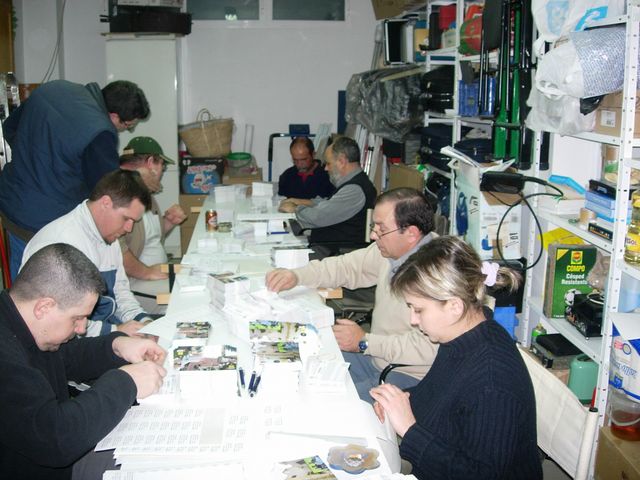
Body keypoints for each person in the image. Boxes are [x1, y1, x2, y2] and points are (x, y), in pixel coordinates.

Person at [370, 236, 541, 480]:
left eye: (418, 309)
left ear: (454, 306)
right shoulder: (461, 335)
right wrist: (400, 401)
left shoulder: (492, 381)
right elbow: (440, 396)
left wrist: (409, 430)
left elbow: (481, 475)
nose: (413, 320)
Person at [0, 243, 167, 480]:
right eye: (77, 318)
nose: (82, 328)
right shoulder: (5, 358)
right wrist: (126, 382)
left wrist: (117, 346)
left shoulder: (25, 324)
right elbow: (54, 439)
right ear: (44, 307)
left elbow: (66, 356)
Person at [267, 188, 438, 402]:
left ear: (411, 233)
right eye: (374, 226)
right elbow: (346, 267)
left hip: (410, 375)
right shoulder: (391, 251)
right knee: (303, 359)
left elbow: (428, 348)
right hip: (377, 358)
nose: (373, 235)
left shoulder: (437, 275)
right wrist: (297, 276)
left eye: (382, 229)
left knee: (323, 402)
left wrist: (365, 342)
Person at [0, 79, 150, 280]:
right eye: (127, 126)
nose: (124, 131)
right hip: (44, 222)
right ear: (114, 116)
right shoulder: (100, 131)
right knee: (46, 286)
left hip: (14, 203)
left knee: (21, 282)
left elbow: (10, 128)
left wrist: (35, 160)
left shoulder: (54, 88)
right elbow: (107, 191)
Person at [21, 170, 154, 338]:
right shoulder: (60, 242)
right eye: (126, 219)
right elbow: (59, 322)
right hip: (69, 342)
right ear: (106, 203)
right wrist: (116, 332)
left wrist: (142, 321)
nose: (129, 228)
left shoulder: (109, 235)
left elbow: (120, 292)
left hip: (104, 330)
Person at [119, 136, 187, 314]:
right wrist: (147, 272)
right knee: (187, 299)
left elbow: (151, 238)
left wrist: (169, 222)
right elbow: (117, 252)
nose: (162, 172)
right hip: (133, 283)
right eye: (162, 166)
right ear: (150, 163)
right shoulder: (120, 195)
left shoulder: (146, 194)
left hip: (154, 275)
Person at [278, 136, 376, 256]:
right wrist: (299, 201)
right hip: (332, 247)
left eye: (328, 163)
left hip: (339, 253)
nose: (325, 168)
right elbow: (330, 204)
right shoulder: (353, 184)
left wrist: (294, 208)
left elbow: (318, 217)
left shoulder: (355, 189)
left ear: (342, 161)